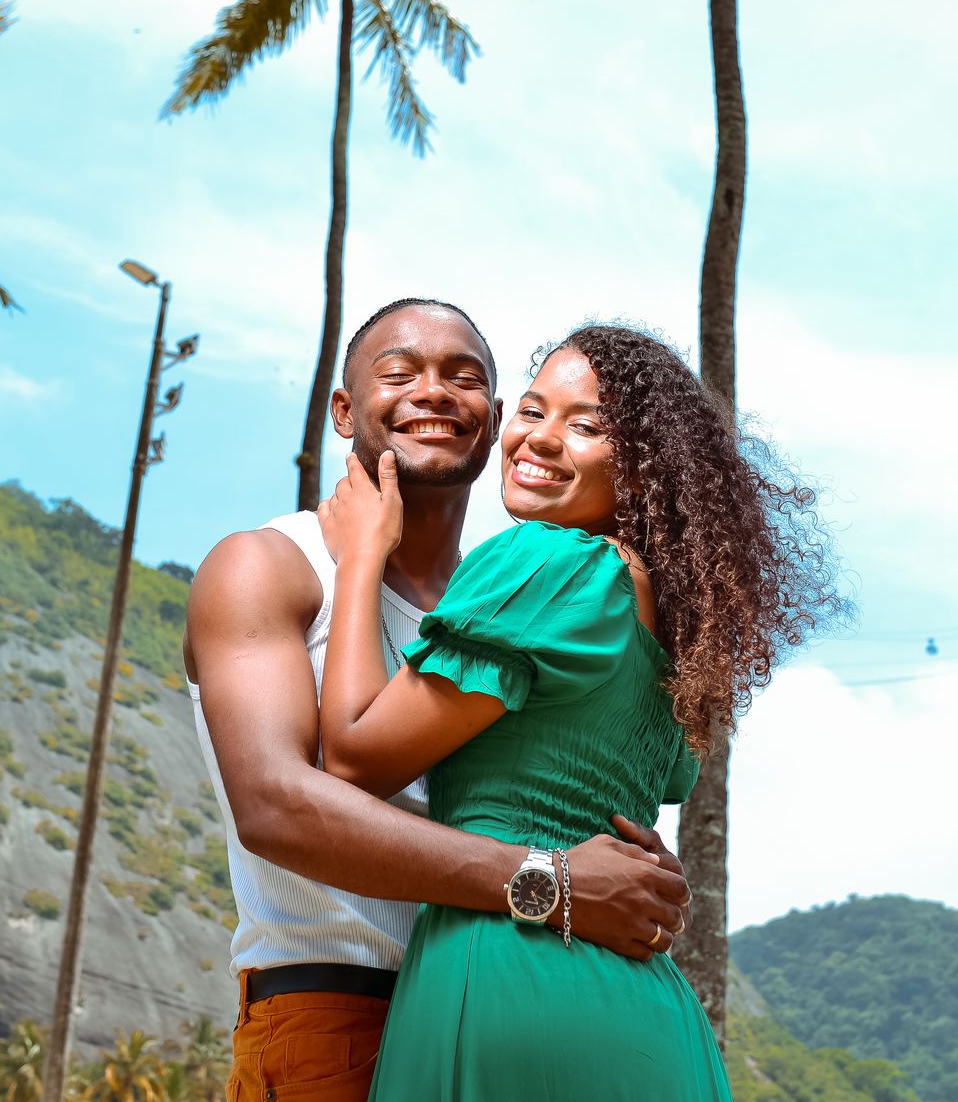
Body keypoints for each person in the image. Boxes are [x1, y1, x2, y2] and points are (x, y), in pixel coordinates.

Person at [315, 322, 846, 1101]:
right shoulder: (668, 630)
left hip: (512, 972)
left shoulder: (549, 562)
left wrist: (362, 554)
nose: (543, 439)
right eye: (532, 412)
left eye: (588, 426)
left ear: (644, 472)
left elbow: (356, 758)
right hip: (646, 1008)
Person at [183, 300, 694, 1102]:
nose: (433, 392)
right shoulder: (271, 566)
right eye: (399, 372)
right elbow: (275, 805)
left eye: (466, 379)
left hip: (515, 983)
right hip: (339, 1012)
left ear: (491, 425)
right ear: (344, 410)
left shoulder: (512, 597)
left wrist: (626, 869)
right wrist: (551, 882)